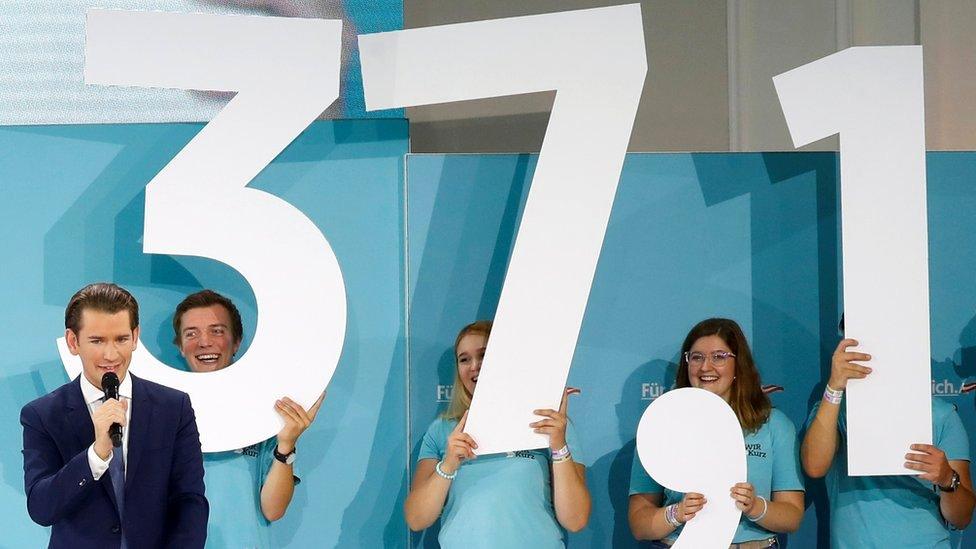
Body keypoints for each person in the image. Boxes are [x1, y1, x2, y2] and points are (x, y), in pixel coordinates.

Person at [21, 282, 208, 548]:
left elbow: (189, 501)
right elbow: (41, 508)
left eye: (121, 339)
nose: (111, 354)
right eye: (97, 341)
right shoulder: (42, 415)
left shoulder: (173, 407)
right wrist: (96, 454)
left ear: (135, 337)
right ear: (73, 342)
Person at [404, 320, 591, 548]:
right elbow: (416, 519)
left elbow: (576, 520)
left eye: (483, 355)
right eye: (464, 359)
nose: (474, 366)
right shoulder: (443, 430)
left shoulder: (549, 424)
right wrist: (449, 463)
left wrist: (559, 446)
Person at [629, 318, 804, 548]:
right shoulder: (662, 426)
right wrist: (676, 513)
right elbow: (639, 524)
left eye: (719, 357)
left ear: (737, 364)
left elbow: (792, 516)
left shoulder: (773, 425)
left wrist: (755, 507)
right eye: (697, 357)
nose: (705, 367)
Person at [172, 289, 324, 548]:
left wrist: (286, 445)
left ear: (237, 341)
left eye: (217, 331)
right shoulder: (162, 412)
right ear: (180, 347)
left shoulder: (264, 411)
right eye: (191, 333)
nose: (204, 341)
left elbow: (273, 510)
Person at [801, 332, 975, 548]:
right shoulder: (834, 410)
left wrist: (947, 479)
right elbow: (815, 466)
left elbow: (963, 517)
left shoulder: (940, 415)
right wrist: (834, 387)